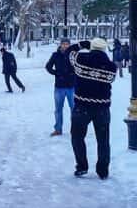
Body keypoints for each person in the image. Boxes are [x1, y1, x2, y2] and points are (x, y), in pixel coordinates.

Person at [69, 37, 117, 179]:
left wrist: (81, 45)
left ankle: (82, 166)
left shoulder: (81, 59)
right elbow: (110, 80)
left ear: (91, 47)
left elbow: (69, 53)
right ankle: (103, 170)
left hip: (81, 106)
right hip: (102, 107)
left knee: (77, 137)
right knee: (103, 140)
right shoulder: (111, 66)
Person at [45, 38, 75, 136]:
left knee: (74, 109)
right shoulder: (55, 55)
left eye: (67, 44)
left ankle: (75, 129)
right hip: (59, 87)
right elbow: (48, 66)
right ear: (61, 45)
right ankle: (58, 129)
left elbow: (79, 67)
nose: (65, 46)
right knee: (58, 109)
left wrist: (73, 75)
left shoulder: (73, 55)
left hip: (71, 86)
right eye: (64, 44)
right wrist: (56, 73)